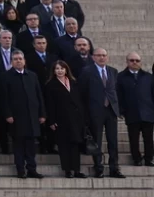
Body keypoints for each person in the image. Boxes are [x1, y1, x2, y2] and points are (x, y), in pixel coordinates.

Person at [0, 50, 46, 178]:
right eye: (15, 59)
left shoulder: (32, 75)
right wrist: (7, 114)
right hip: (16, 117)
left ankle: (32, 169)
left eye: (20, 58)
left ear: (24, 61)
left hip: (32, 116)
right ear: (12, 62)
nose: (18, 61)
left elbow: (39, 95)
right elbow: (4, 98)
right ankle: (20, 170)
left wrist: (42, 114)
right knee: (18, 145)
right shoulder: (6, 76)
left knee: (31, 145)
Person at [79, 47, 124, 178]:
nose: (101, 57)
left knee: (113, 142)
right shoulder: (87, 71)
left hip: (110, 111)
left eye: (104, 55)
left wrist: (118, 108)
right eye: (98, 55)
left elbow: (116, 91)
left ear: (107, 57)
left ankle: (114, 168)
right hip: (95, 112)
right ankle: (98, 167)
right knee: (97, 141)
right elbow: (82, 93)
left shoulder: (113, 71)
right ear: (93, 57)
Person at [44, 60, 87, 178]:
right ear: (54, 71)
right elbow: (49, 104)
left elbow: (79, 100)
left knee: (75, 144)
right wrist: (52, 121)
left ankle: (77, 170)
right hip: (61, 119)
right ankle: (68, 170)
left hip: (76, 119)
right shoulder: (50, 85)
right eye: (57, 69)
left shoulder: (73, 82)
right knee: (64, 145)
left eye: (62, 68)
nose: (60, 71)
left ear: (66, 69)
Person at [116, 51, 154, 167]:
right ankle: (136, 158)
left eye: (137, 60)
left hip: (148, 112)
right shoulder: (120, 77)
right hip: (132, 112)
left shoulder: (149, 77)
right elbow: (119, 95)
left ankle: (149, 158)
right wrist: (121, 110)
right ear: (127, 62)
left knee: (148, 138)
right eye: (132, 60)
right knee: (133, 138)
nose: (134, 63)